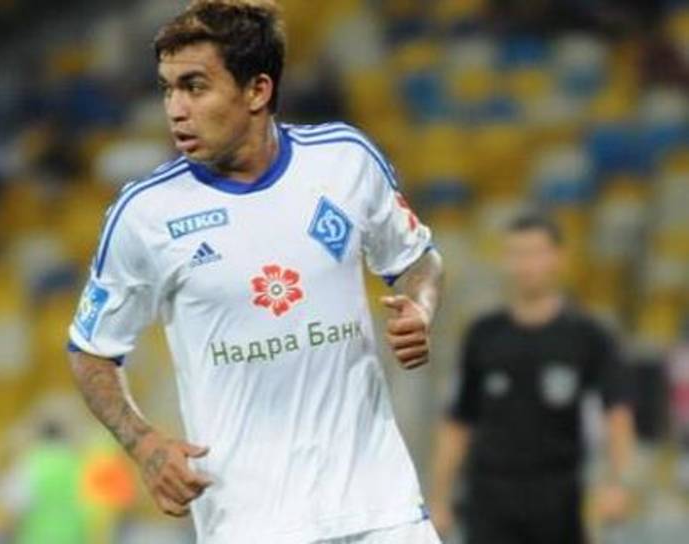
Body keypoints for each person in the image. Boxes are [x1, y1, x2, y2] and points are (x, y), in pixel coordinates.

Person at [66, 1, 445, 543]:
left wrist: (421, 307)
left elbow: (418, 259)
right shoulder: (145, 214)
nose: (175, 109)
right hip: (252, 523)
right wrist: (144, 445)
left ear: (257, 91)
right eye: (168, 89)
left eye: (195, 87)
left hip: (381, 509)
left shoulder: (344, 162)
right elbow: (91, 351)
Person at [429, 213, 636, 544]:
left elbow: (617, 414)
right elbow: (458, 421)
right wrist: (439, 498)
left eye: (535, 253)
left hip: (558, 500)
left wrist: (618, 484)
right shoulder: (483, 334)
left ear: (558, 258)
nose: (526, 264)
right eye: (517, 253)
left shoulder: (588, 335)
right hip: (489, 499)